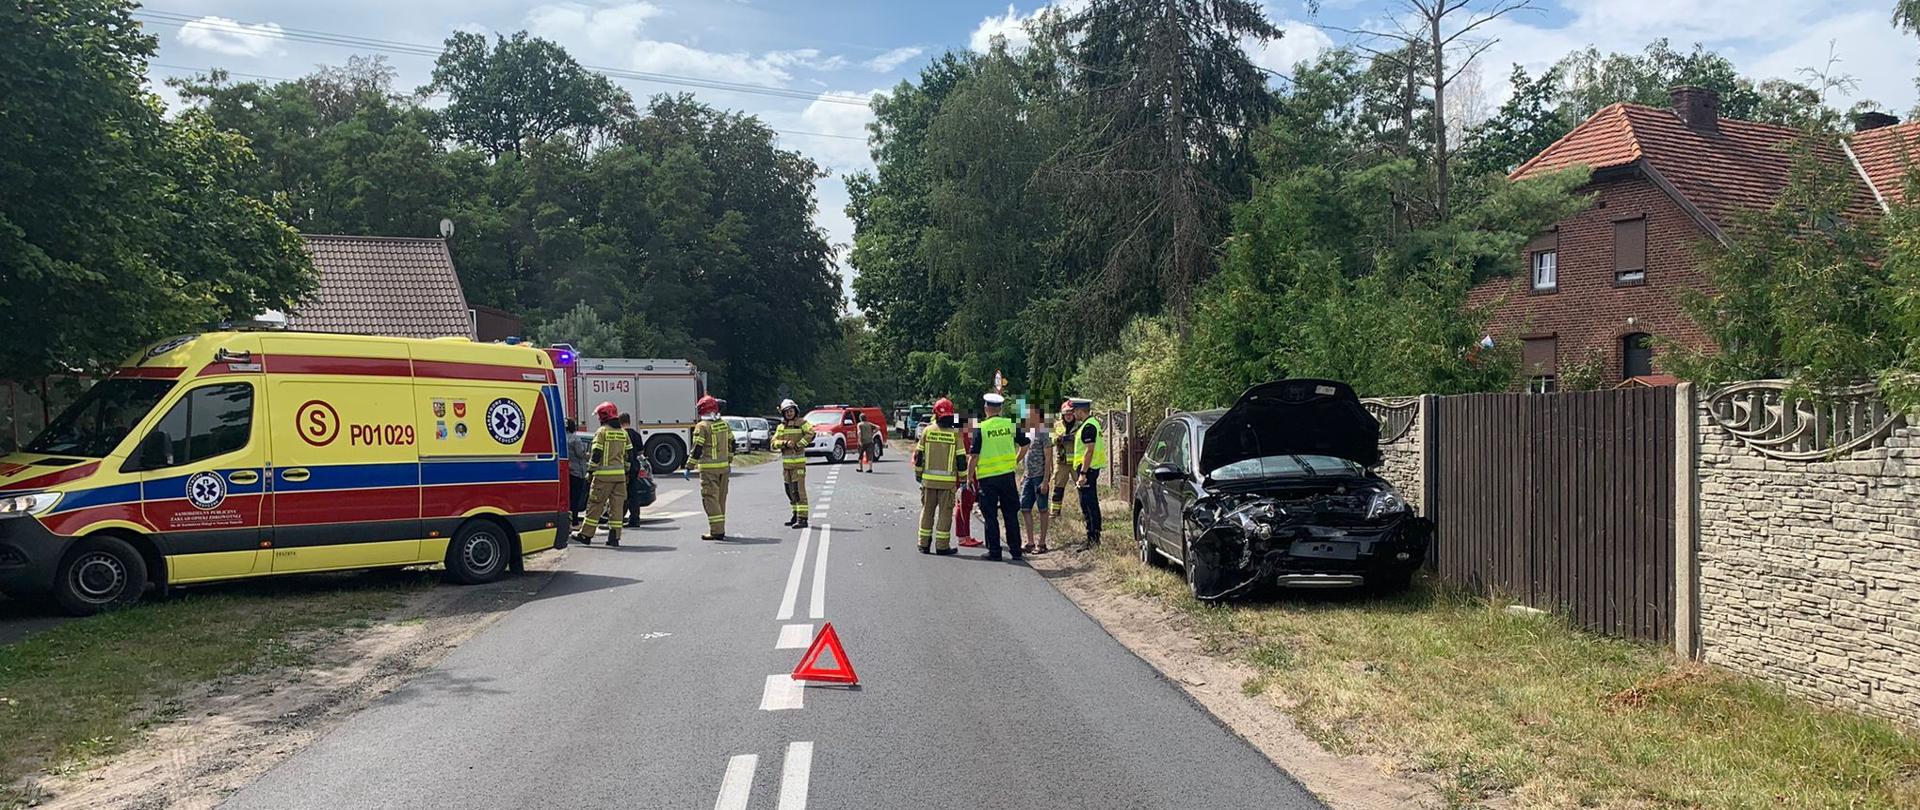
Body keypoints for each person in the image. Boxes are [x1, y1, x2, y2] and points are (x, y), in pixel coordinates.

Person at [968, 393, 1030, 561]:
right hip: (1007, 476)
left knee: (990, 515)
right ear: (1000, 409)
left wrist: (968, 478)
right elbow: (1025, 444)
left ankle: (995, 551)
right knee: (1010, 514)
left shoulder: (981, 428)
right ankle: (1016, 551)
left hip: (987, 478)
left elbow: (974, 455)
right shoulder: (1010, 424)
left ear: (986, 408)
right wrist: (1015, 461)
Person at [572, 402, 631, 547]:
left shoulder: (602, 432)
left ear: (604, 416)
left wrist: (590, 471)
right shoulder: (623, 433)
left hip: (603, 477)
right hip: (620, 477)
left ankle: (586, 535)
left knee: (595, 505)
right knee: (617, 508)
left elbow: (596, 453)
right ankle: (614, 538)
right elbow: (629, 455)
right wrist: (626, 472)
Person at [913, 398, 964, 555]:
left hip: (928, 482)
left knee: (927, 511)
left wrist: (918, 473)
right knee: (945, 513)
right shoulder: (955, 434)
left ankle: (923, 544)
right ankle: (942, 546)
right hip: (947, 484)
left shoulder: (928, 431)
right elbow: (961, 459)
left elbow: (918, 455)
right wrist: (963, 480)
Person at [687, 394, 733, 540]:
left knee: (710, 499)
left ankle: (716, 531)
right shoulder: (724, 424)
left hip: (708, 469)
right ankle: (720, 528)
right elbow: (732, 443)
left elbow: (697, 447)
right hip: (724, 468)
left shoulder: (702, 426)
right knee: (720, 499)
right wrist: (729, 460)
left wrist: (689, 466)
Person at [1071, 398, 1107, 549]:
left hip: (1088, 470)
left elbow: (1089, 450)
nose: (1073, 413)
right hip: (1090, 468)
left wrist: (1083, 473)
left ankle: (1093, 538)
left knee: (1088, 503)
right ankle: (1092, 537)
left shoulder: (1088, 427)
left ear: (1080, 410)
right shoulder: (1090, 424)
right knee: (1089, 502)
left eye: (1074, 411)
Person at [1018, 407, 1051, 554]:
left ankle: (1042, 543)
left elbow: (1048, 458)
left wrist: (1045, 480)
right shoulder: (1027, 433)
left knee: (1043, 509)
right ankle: (1030, 541)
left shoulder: (1043, 433)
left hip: (1039, 476)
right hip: (1028, 476)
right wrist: (1023, 475)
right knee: (1025, 508)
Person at [775, 398, 811, 528]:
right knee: (789, 491)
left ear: (795, 411)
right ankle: (795, 514)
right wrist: (784, 443)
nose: (789, 413)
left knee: (799, 491)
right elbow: (773, 443)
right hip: (787, 466)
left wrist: (799, 445)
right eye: (787, 412)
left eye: (791, 411)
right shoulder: (781, 427)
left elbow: (811, 433)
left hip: (798, 465)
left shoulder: (802, 423)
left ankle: (803, 518)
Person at [1048, 399, 1076, 522]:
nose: (1069, 416)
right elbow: (1052, 440)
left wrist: (1071, 438)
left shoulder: (1080, 425)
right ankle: (1054, 513)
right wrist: (1061, 439)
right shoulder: (1057, 425)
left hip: (1077, 463)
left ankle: (1087, 513)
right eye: (1066, 414)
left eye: (1071, 413)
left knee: (1083, 488)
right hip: (1062, 462)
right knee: (1057, 488)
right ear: (1062, 415)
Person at [565, 418, 590, 526]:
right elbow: (580, 454)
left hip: (566, 471)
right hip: (577, 471)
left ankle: (567, 519)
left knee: (567, 497)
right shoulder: (575, 439)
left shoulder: (561, 438)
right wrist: (587, 454)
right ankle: (574, 520)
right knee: (575, 497)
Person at [623, 414, 645, 527]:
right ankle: (635, 519)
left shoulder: (622, 434)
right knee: (633, 494)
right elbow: (640, 452)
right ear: (629, 421)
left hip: (623, 468)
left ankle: (619, 518)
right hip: (634, 467)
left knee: (622, 494)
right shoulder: (636, 434)